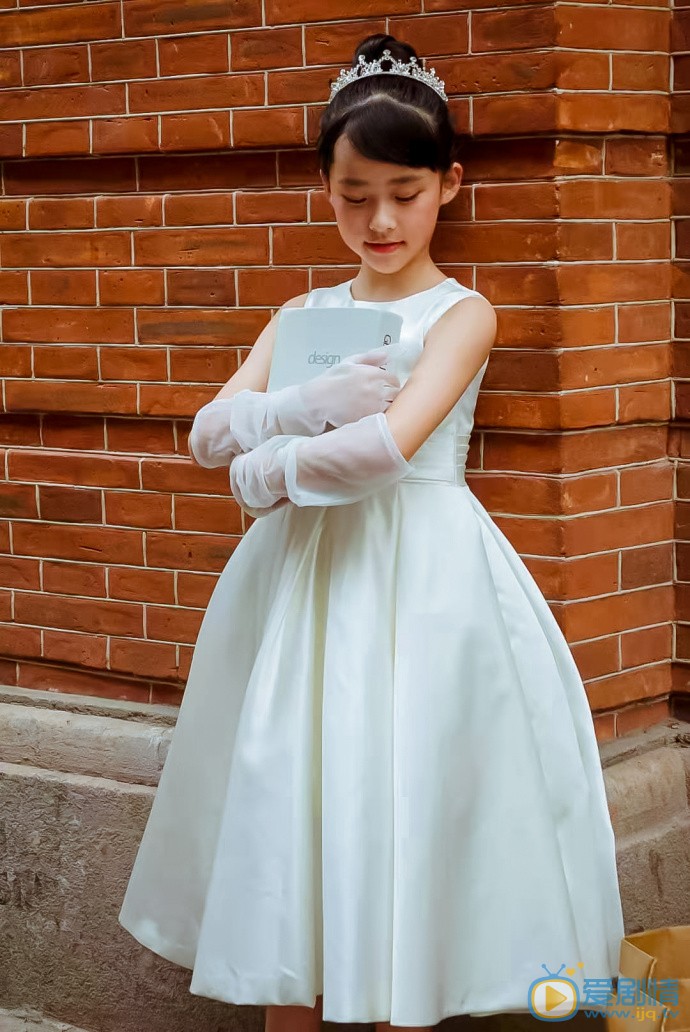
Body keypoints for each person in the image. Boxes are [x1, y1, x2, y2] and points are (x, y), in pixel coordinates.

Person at [118, 31, 625, 1032]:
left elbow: (387, 451)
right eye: (354, 194)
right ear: (326, 186)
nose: (379, 218)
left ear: (450, 184)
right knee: (295, 819)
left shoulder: (461, 315)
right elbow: (206, 432)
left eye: (403, 190)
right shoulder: (305, 310)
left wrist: (264, 469)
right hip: (303, 591)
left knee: (404, 812)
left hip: (426, 588)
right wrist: (292, 404)